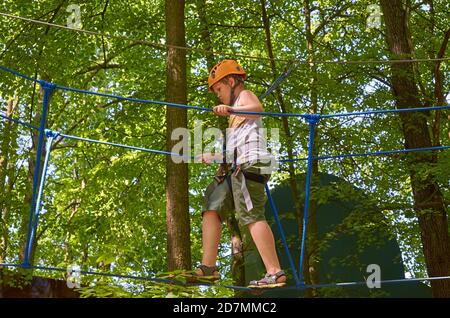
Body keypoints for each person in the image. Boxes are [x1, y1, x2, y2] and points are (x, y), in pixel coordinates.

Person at [194, 60, 286, 288]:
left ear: (232, 81)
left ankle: (274, 272)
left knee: (251, 215)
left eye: (219, 89)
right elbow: (233, 151)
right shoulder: (234, 120)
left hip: (251, 164)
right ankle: (208, 267)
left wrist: (232, 109)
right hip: (236, 166)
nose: (218, 95)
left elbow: (258, 107)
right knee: (212, 205)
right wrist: (214, 157)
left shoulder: (245, 96)